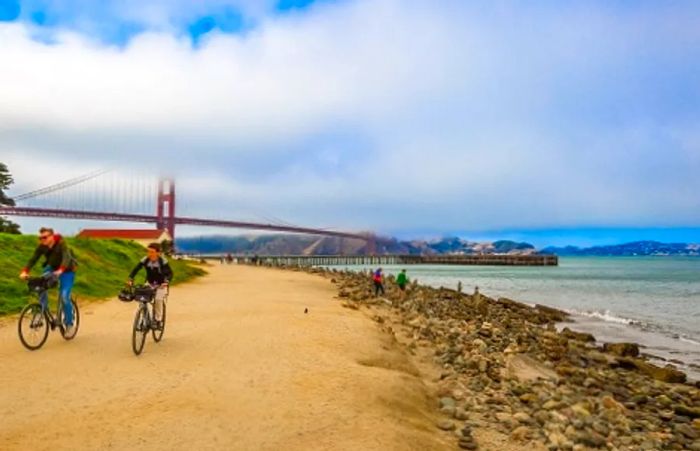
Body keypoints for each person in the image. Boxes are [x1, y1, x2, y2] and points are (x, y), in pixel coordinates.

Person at [19, 227, 78, 334]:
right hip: (53, 268)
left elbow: (66, 257)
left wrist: (61, 270)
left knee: (64, 296)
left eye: (45, 237)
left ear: (52, 236)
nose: (42, 240)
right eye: (40, 238)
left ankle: (69, 323)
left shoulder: (61, 243)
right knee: (40, 285)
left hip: (68, 270)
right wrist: (25, 271)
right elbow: (33, 259)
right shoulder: (42, 246)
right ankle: (43, 310)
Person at [127, 242, 173, 329]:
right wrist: (130, 278)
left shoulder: (163, 261)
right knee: (142, 298)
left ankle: (158, 320)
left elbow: (170, 273)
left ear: (158, 253)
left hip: (161, 284)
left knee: (158, 300)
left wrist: (166, 282)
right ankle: (143, 318)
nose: (149, 254)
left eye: (152, 252)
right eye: (148, 251)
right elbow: (136, 269)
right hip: (149, 282)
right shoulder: (145, 259)